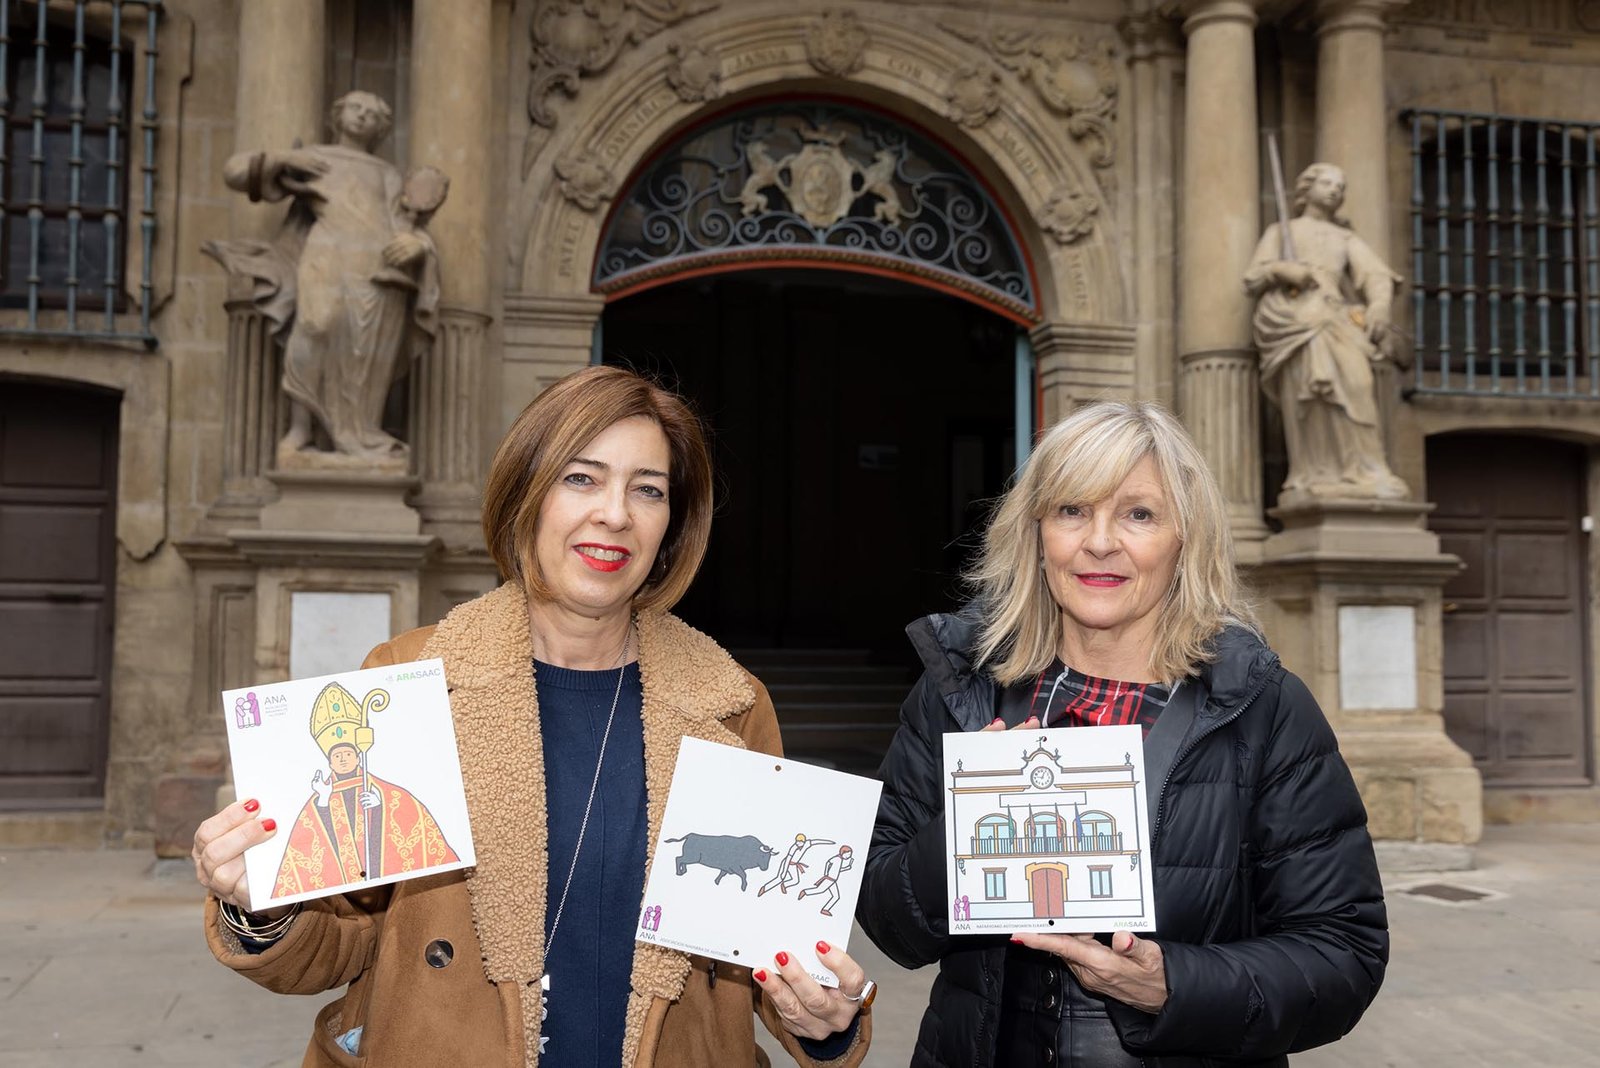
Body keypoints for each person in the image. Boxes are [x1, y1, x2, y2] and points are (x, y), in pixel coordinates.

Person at [192, 366, 873, 1066]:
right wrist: (260, 906)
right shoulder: (413, 685)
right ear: (527, 494)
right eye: (582, 478)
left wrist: (824, 1015)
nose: (615, 513)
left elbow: (772, 958)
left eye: (648, 489)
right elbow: (343, 938)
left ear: (671, 524)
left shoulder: (731, 703)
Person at [856, 401, 1387, 1067]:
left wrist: (1173, 984)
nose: (1099, 542)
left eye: (1138, 514)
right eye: (1072, 510)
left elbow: (1343, 954)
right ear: (1036, 533)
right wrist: (964, 831)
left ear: (1184, 539)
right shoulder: (961, 689)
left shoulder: (1261, 707)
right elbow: (886, 919)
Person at [208, 90, 442, 463]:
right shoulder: (315, 158)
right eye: (356, 108)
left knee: (367, 354)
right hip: (326, 257)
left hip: (379, 272)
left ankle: (361, 432)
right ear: (338, 114)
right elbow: (235, 172)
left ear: (381, 128)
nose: (363, 116)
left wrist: (419, 245)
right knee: (315, 326)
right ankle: (301, 429)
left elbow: (400, 222)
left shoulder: (387, 173)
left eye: (372, 113)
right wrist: (284, 158)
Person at [1243, 161, 1408, 502]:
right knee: (1310, 399)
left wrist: (1378, 305)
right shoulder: (1281, 231)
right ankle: (1314, 473)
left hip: (1334, 317)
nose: (1336, 190)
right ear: (1307, 189)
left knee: (1359, 386)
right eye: (1328, 183)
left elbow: (1376, 275)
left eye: (1341, 186)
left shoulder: (1345, 237)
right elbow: (1253, 277)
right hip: (1296, 319)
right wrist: (1285, 270)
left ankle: (1366, 471)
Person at [272, 680, 459, 898]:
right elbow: (306, 857)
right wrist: (322, 802)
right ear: (330, 762)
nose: (343, 760)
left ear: (358, 756)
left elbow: (415, 834)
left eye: (348, 754)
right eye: (337, 756)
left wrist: (380, 808)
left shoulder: (388, 794)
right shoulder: (321, 798)